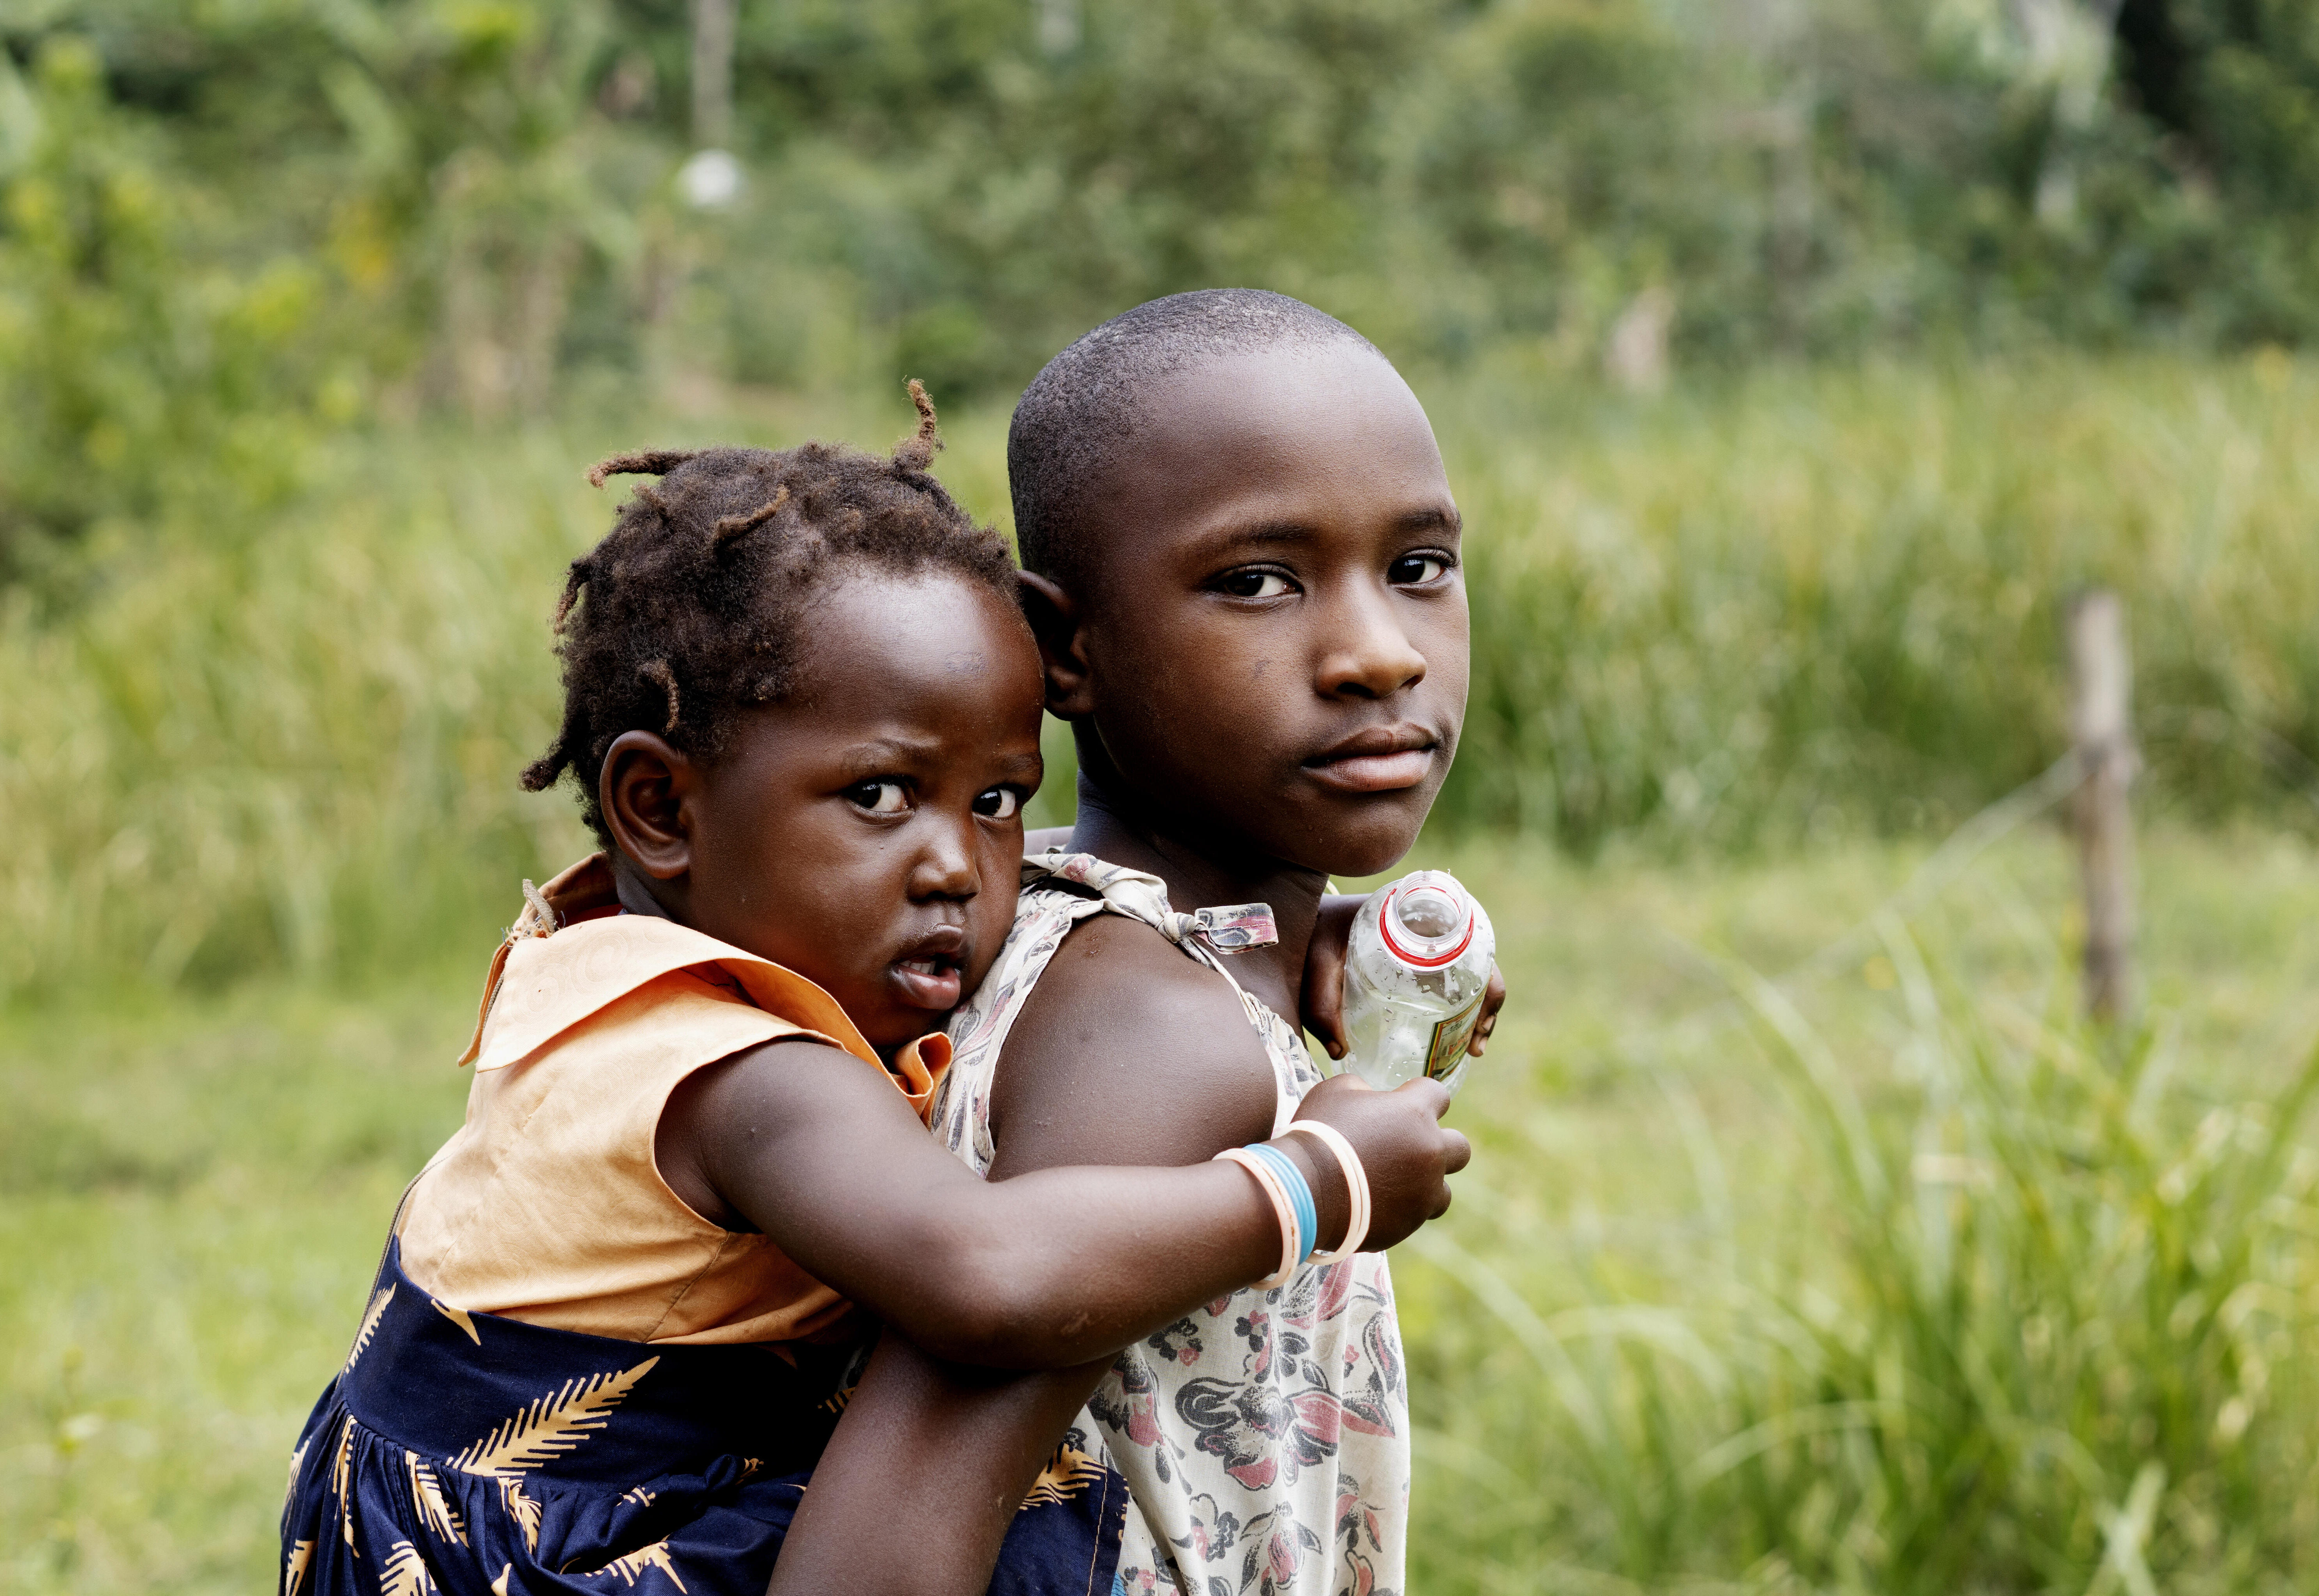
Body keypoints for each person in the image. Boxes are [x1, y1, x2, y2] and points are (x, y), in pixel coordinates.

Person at [275, 395, 1472, 1596]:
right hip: (539, 1561)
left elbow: (942, 858)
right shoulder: (752, 1080)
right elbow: (988, 1279)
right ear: (660, 808)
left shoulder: (647, 949)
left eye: (996, 802)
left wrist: (1272, 929)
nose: (957, 866)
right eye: (880, 797)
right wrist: (1322, 1183)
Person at [780, 291, 1481, 1596]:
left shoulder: (1083, 933)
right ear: (1063, 649)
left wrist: (1299, 955)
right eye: (1256, 583)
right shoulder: (1156, 1033)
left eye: (1418, 568)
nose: (1379, 655)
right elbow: (872, 1564)